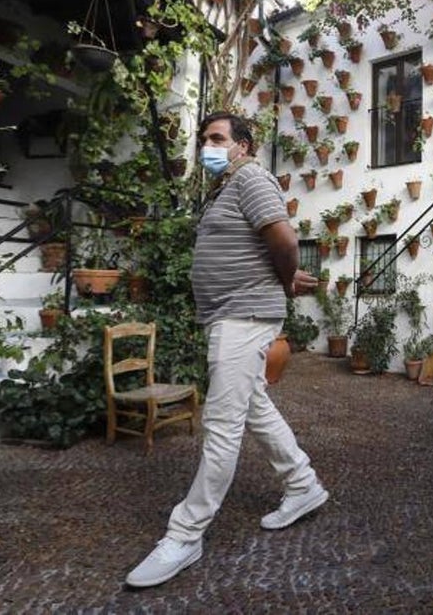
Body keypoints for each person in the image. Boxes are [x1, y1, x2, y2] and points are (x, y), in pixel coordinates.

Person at [126, 113, 327, 588]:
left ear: (243, 145)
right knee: (253, 405)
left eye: (217, 138)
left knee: (220, 423)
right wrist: (279, 276)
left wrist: (280, 278)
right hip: (230, 313)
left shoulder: (252, 177)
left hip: (244, 314)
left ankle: (185, 533)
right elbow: (257, 247)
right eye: (204, 140)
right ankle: (302, 485)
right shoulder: (226, 188)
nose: (207, 146)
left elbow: (284, 238)